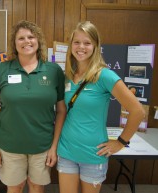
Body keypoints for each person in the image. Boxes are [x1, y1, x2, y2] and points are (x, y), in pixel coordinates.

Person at [57, 21, 145, 193]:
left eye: (87, 42)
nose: (81, 47)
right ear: (71, 45)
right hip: (66, 151)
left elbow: (138, 111)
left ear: (96, 46)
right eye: (77, 42)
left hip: (93, 154)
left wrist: (120, 142)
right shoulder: (67, 76)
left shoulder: (105, 75)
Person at [0, 20, 66, 193]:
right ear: (14, 43)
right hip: (10, 146)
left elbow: (60, 111)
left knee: (37, 186)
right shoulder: (1, 70)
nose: (26, 41)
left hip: (42, 145)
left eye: (31, 37)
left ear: (38, 41)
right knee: (15, 187)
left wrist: (54, 147)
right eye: (21, 38)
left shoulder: (53, 71)